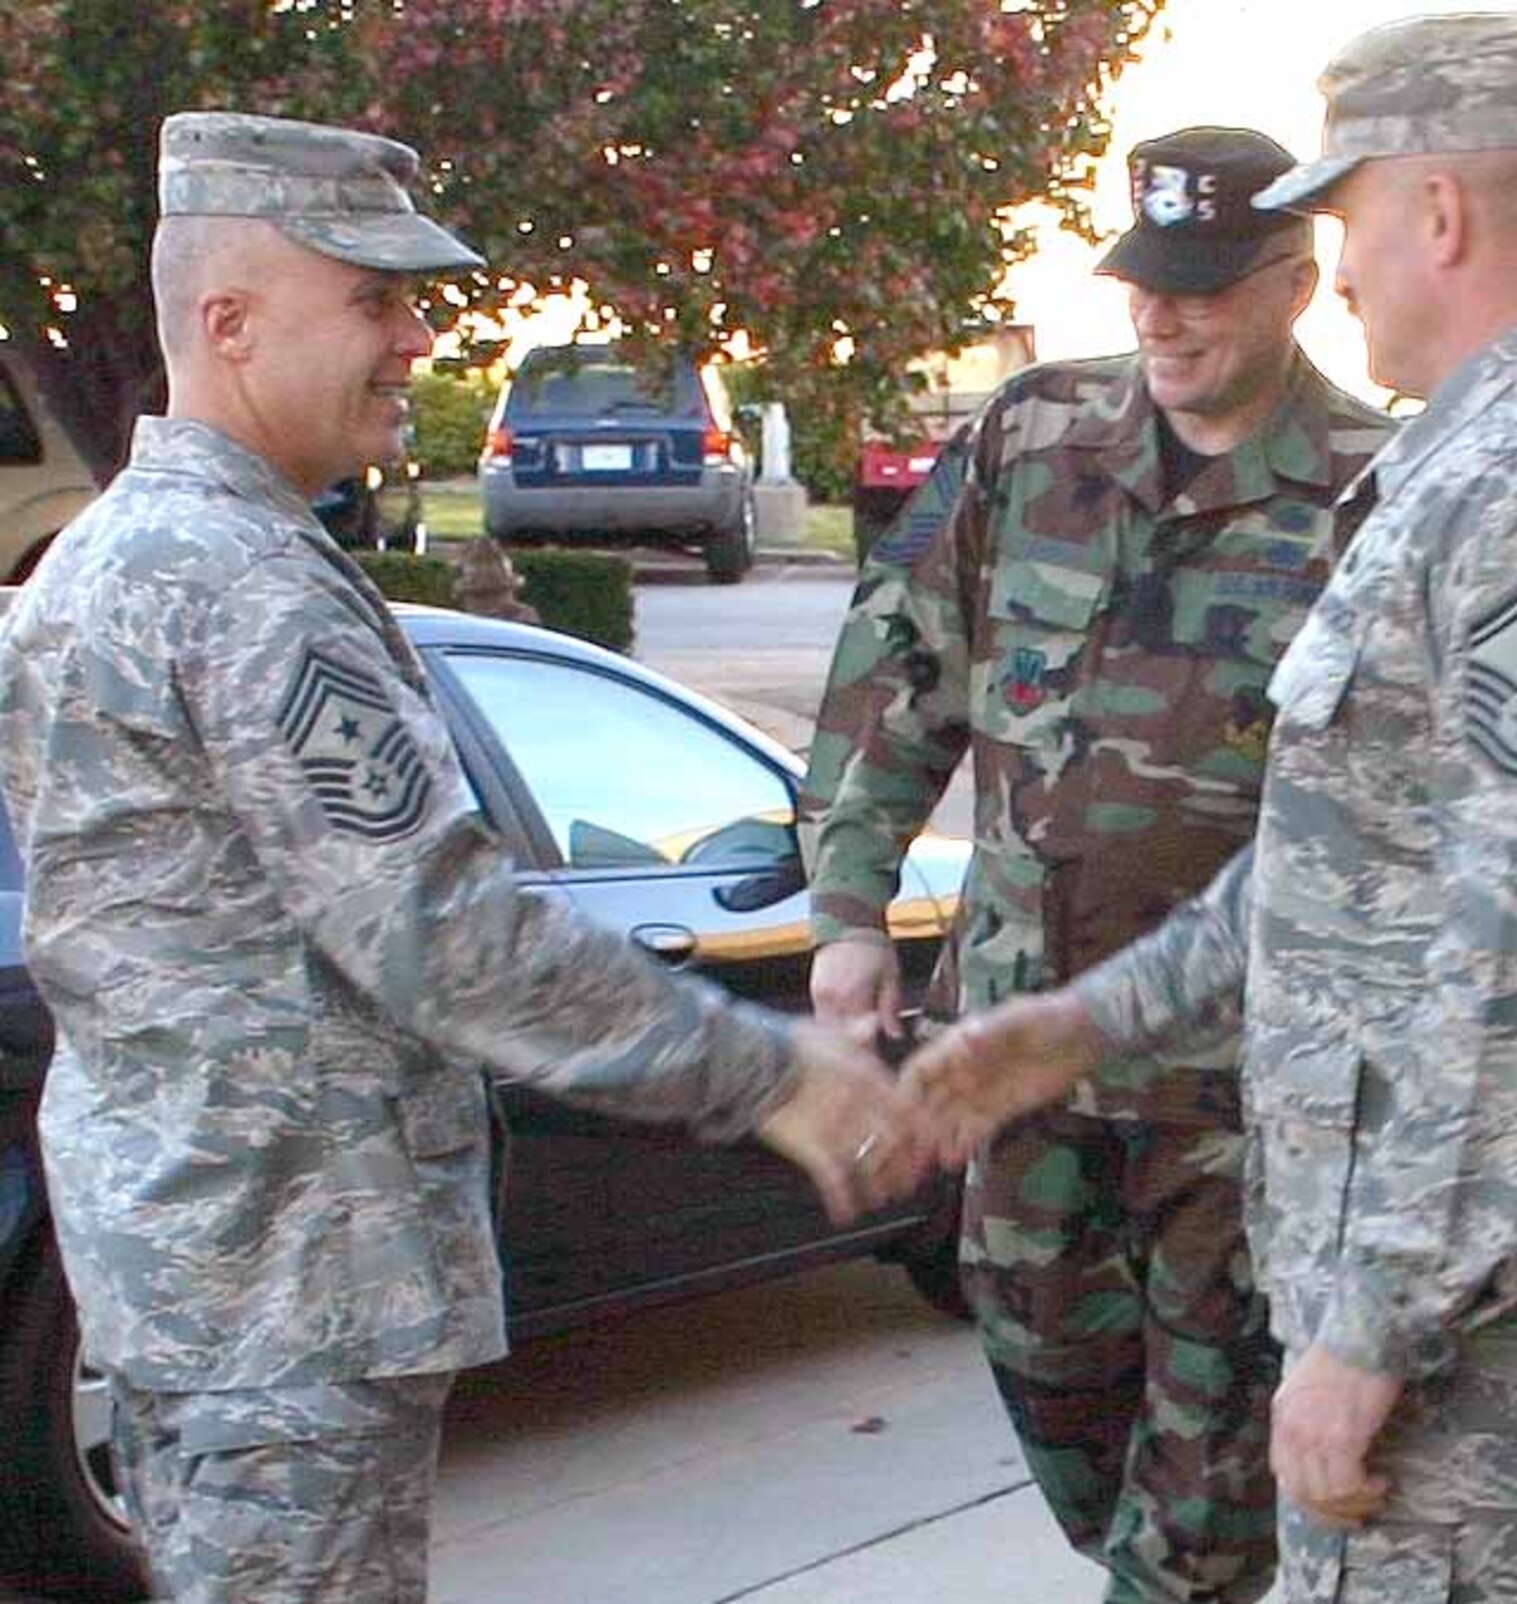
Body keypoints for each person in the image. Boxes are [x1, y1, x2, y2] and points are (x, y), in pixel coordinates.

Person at [0, 111, 928, 1604]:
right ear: (229, 323)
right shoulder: (245, 587)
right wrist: (774, 1076)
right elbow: (449, 934)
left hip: (193, 1266)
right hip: (294, 1294)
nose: (417, 337)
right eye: (373, 299)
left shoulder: (99, 557)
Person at [899, 14, 1517, 1603]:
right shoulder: (1499, 451)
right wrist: (1085, 1023)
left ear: (1436, 212)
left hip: (1497, 1346)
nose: (1339, 265)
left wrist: (1375, 1321)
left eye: (1346, 217)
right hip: (1480, 1301)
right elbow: (1345, 862)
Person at [800, 125, 1390, 1602]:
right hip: (1017, 1058)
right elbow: (900, 667)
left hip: (1238, 1096)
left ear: (1296, 282)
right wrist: (850, 910)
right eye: (1144, 281)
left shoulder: (1372, 492)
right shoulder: (1033, 438)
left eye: (1201, 287)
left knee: (1203, 1513)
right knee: (1059, 1399)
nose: (1161, 315)